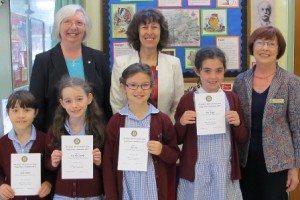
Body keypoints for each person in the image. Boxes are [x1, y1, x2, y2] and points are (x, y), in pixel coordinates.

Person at [233, 26, 300, 200]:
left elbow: (297, 127)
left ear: (279, 49)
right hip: (245, 160)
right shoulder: (241, 80)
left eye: (271, 44)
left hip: (278, 162)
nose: (265, 48)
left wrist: (295, 168)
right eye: (260, 43)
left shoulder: (291, 82)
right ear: (252, 47)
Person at [175, 47, 249, 200]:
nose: (213, 76)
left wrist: (238, 124)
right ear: (197, 71)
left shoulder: (232, 99)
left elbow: (242, 138)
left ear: (225, 71)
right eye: (207, 71)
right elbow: (176, 138)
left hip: (223, 168)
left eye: (218, 70)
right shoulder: (188, 100)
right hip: (196, 170)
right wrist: (181, 122)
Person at [29, 4, 112, 133]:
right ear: (58, 27)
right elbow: (36, 106)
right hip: (56, 138)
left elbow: (107, 101)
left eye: (79, 22)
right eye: (67, 21)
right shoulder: (43, 61)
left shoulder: (98, 58)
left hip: (95, 137)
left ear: (85, 28)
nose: (73, 27)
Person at [103, 63, 180, 200]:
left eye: (145, 85)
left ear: (152, 87)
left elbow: (174, 154)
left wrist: (162, 150)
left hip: (153, 192)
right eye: (132, 85)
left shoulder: (162, 120)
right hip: (127, 191)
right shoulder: (116, 122)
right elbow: (108, 164)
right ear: (123, 87)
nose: (139, 90)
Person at [110, 8, 184, 122]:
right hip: (131, 132)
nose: (150, 32)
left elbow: (178, 105)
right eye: (144, 27)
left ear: (161, 32)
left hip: (164, 132)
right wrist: (132, 129)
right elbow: (117, 103)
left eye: (154, 27)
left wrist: (164, 127)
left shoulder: (174, 63)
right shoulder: (121, 63)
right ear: (137, 32)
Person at [44, 77, 106, 199]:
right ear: (62, 103)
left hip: (92, 195)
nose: (74, 105)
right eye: (68, 101)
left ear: (89, 98)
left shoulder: (100, 130)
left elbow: (109, 164)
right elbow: (46, 162)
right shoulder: (55, 130)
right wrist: (53, 162)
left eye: (79, 99)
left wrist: (99, 162)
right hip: (62, 195)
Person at [0, 90, 52, 200]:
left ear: (35, 112)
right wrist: (1, 185)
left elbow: (52, 168)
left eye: (27, 110)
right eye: (15, 110)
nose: (21, 115)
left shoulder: (45, 139)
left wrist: (49, 183)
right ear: (8, 112)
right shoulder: (2, 143)